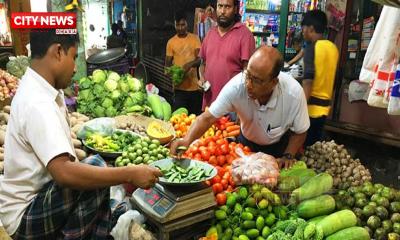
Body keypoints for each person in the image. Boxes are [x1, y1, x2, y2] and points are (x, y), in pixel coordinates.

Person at [0, 29, 162, 239]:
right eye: (74, 57)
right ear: (58, 52)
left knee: (94, 167)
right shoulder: (37, 102)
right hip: (25, 216)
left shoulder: (42, 89)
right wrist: (130, 173)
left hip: (39, 199)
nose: (76, 67)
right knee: (94, 168)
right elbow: (65, 174)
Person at [171, 46, 310, 169]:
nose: (248, 84)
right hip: (246, 146)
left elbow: (300, 130)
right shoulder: (237, 86)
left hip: (278, 149)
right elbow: (207, 118)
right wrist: (186, 140)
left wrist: (288, 155)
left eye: (257, 80)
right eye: (248, 75)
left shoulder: (293, 94)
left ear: (274, 82)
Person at [199, 0, 256, 109]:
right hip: (209, 105)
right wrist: (202, 79)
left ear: (235, 9)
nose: (222, 11)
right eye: (220, 6)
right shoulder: (211, 33)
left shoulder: (245, 35)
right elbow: (202, 64)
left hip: (232, 107)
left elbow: (248, 72)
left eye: (227, 7)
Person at [301, 10, 339, 146]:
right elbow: (334, 79)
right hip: (325, 108)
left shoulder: (312, 48)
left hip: (310, 109)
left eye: (303, 28)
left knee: (304, 147)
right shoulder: (333, 48)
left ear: (310, 28)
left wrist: (301, 107)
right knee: (315, 148)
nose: (302, 31)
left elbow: (308, 80)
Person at [165, 11, 203, 115]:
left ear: (187, 24)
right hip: (179, 89)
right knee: (179, 118)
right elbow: (167, 66)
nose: (180, 28)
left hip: (194, 88)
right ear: (174, 25)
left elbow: (200, 59)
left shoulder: (195, 39)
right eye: (178, 25)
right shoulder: (171, 42)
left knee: (194, 118)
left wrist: (189, 65)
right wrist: (171, 75)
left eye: (183, 25)